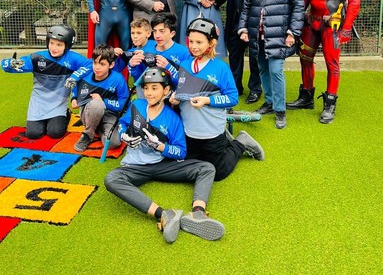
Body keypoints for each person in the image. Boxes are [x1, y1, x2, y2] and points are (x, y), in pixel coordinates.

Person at [104, 67, 225, 243]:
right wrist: (124, 136)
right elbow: (122, 123)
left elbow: (181, 151)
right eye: (146, 88)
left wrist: (160, 146)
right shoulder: (136, 104)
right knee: (111, 179)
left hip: (162, 165)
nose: (149, 93)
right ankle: (165, 214)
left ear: (166, 91)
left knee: (206, 168)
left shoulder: (173, 118)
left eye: (154, 88)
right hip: (134, 167)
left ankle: (197, 214)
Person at [170, 18, 265, 181]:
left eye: (199, 42)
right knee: (191, 169)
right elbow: (181, 90)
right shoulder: (184, 65)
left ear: (211, 43)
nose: (193, 46)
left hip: (211, 131)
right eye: (191, 41)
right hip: (189, 131)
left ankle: (240, 143)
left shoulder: (221, 68)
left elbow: (232, 98)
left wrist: (207, 101)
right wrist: (175, 98)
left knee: (217, 173)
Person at [286, 0, 361, 124]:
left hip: (332, 24)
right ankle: (306, 96)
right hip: (312, 21)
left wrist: (346, 28)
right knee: (305, 58)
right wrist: (297, 21)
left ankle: (330, 104)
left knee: (332, 64)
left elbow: (354, 1)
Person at [238, 0, 305, 129]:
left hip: (279, 36)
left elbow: (299, 7)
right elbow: (245, 8)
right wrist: (243, 29)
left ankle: (280, 110)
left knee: (276, 70)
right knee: (262, 69)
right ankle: (269, 103)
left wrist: (293, 32)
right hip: (257, 35)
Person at [1, 25, 92, 139]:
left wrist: (75, 76)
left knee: (55, 133)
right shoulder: (38, 57)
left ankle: (66, 114)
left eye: (59, 45)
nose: (54, 48)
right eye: (52, 43)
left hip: (58, 103)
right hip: (38, 102)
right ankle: (43, 121)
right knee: (34, 134)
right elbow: (6, 65)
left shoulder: (73, 58)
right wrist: (9, 63)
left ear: (67, 45)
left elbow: (91, 65)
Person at [71, 44, 129, 152]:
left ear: (111, 65)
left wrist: (104, 101)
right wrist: (74, 98)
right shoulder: (85, 73)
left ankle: (96, 129)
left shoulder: (118, 79)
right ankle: (87, 135)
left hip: (109, 114)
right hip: (89, 111)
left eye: (102, 64)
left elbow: (123, 103)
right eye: (95, 62)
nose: (97, 67)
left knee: (113, 143)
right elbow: (75, 85)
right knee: (97, 104)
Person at [128, 12, 190, 91]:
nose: (157, 35)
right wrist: (132, 67)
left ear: (172, 33)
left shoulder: (184, 53)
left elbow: (187, 83)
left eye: (162, 31)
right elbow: (140, 82)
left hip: (173, 98)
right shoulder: (147, 52)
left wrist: (169, 67)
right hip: (150, 97)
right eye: (155, 31)